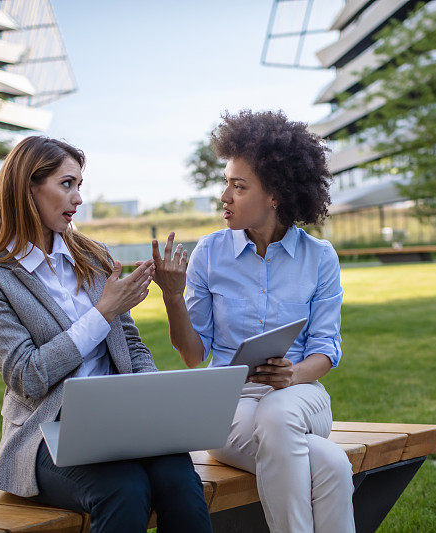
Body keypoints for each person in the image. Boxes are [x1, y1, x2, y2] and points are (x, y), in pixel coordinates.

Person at [0, 136, 212, 533]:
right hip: (48, 431)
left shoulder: (93, 257)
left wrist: (154, 403)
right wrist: (103, 311)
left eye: (79, 186)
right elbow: (27, 376)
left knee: (180, 480)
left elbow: (131, 347)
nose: (77, 198)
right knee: (124, 488)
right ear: (27, 188)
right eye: (66, 184)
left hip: (124, 420)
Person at [152, 110, 356, 533]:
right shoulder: (209, 253)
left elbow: (325, 351)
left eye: (238, 186)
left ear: (276, 194)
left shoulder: (319, 258)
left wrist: (291, 374)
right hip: (230, 407)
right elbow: (193, 356)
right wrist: (172, 295)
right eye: (225, 182)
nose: (224, 196)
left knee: (279, 415)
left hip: (302, 396)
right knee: (333, 462)